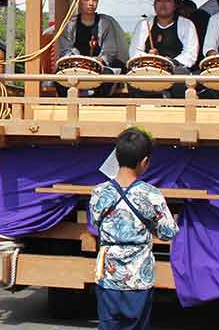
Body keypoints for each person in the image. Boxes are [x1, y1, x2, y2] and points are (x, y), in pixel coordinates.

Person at [90, 128, 178, 330]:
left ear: (117, 157)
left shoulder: (99, 192)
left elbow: (95, 224)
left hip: (108, 274)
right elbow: (168, 232)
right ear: (144, 161)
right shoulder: (151, 195)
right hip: (139, 276)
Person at [128, 0, 199, 78]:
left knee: (181, 76)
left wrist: (170, 62)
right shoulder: (144, 24)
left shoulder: (186, 24)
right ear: (154, 4)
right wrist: (149, 59)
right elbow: (135, 51)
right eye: (159, 1)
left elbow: (190, 54)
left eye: (168, 1)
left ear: (175, 5)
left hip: (175, 70)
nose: (163, 4)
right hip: (148, 69)